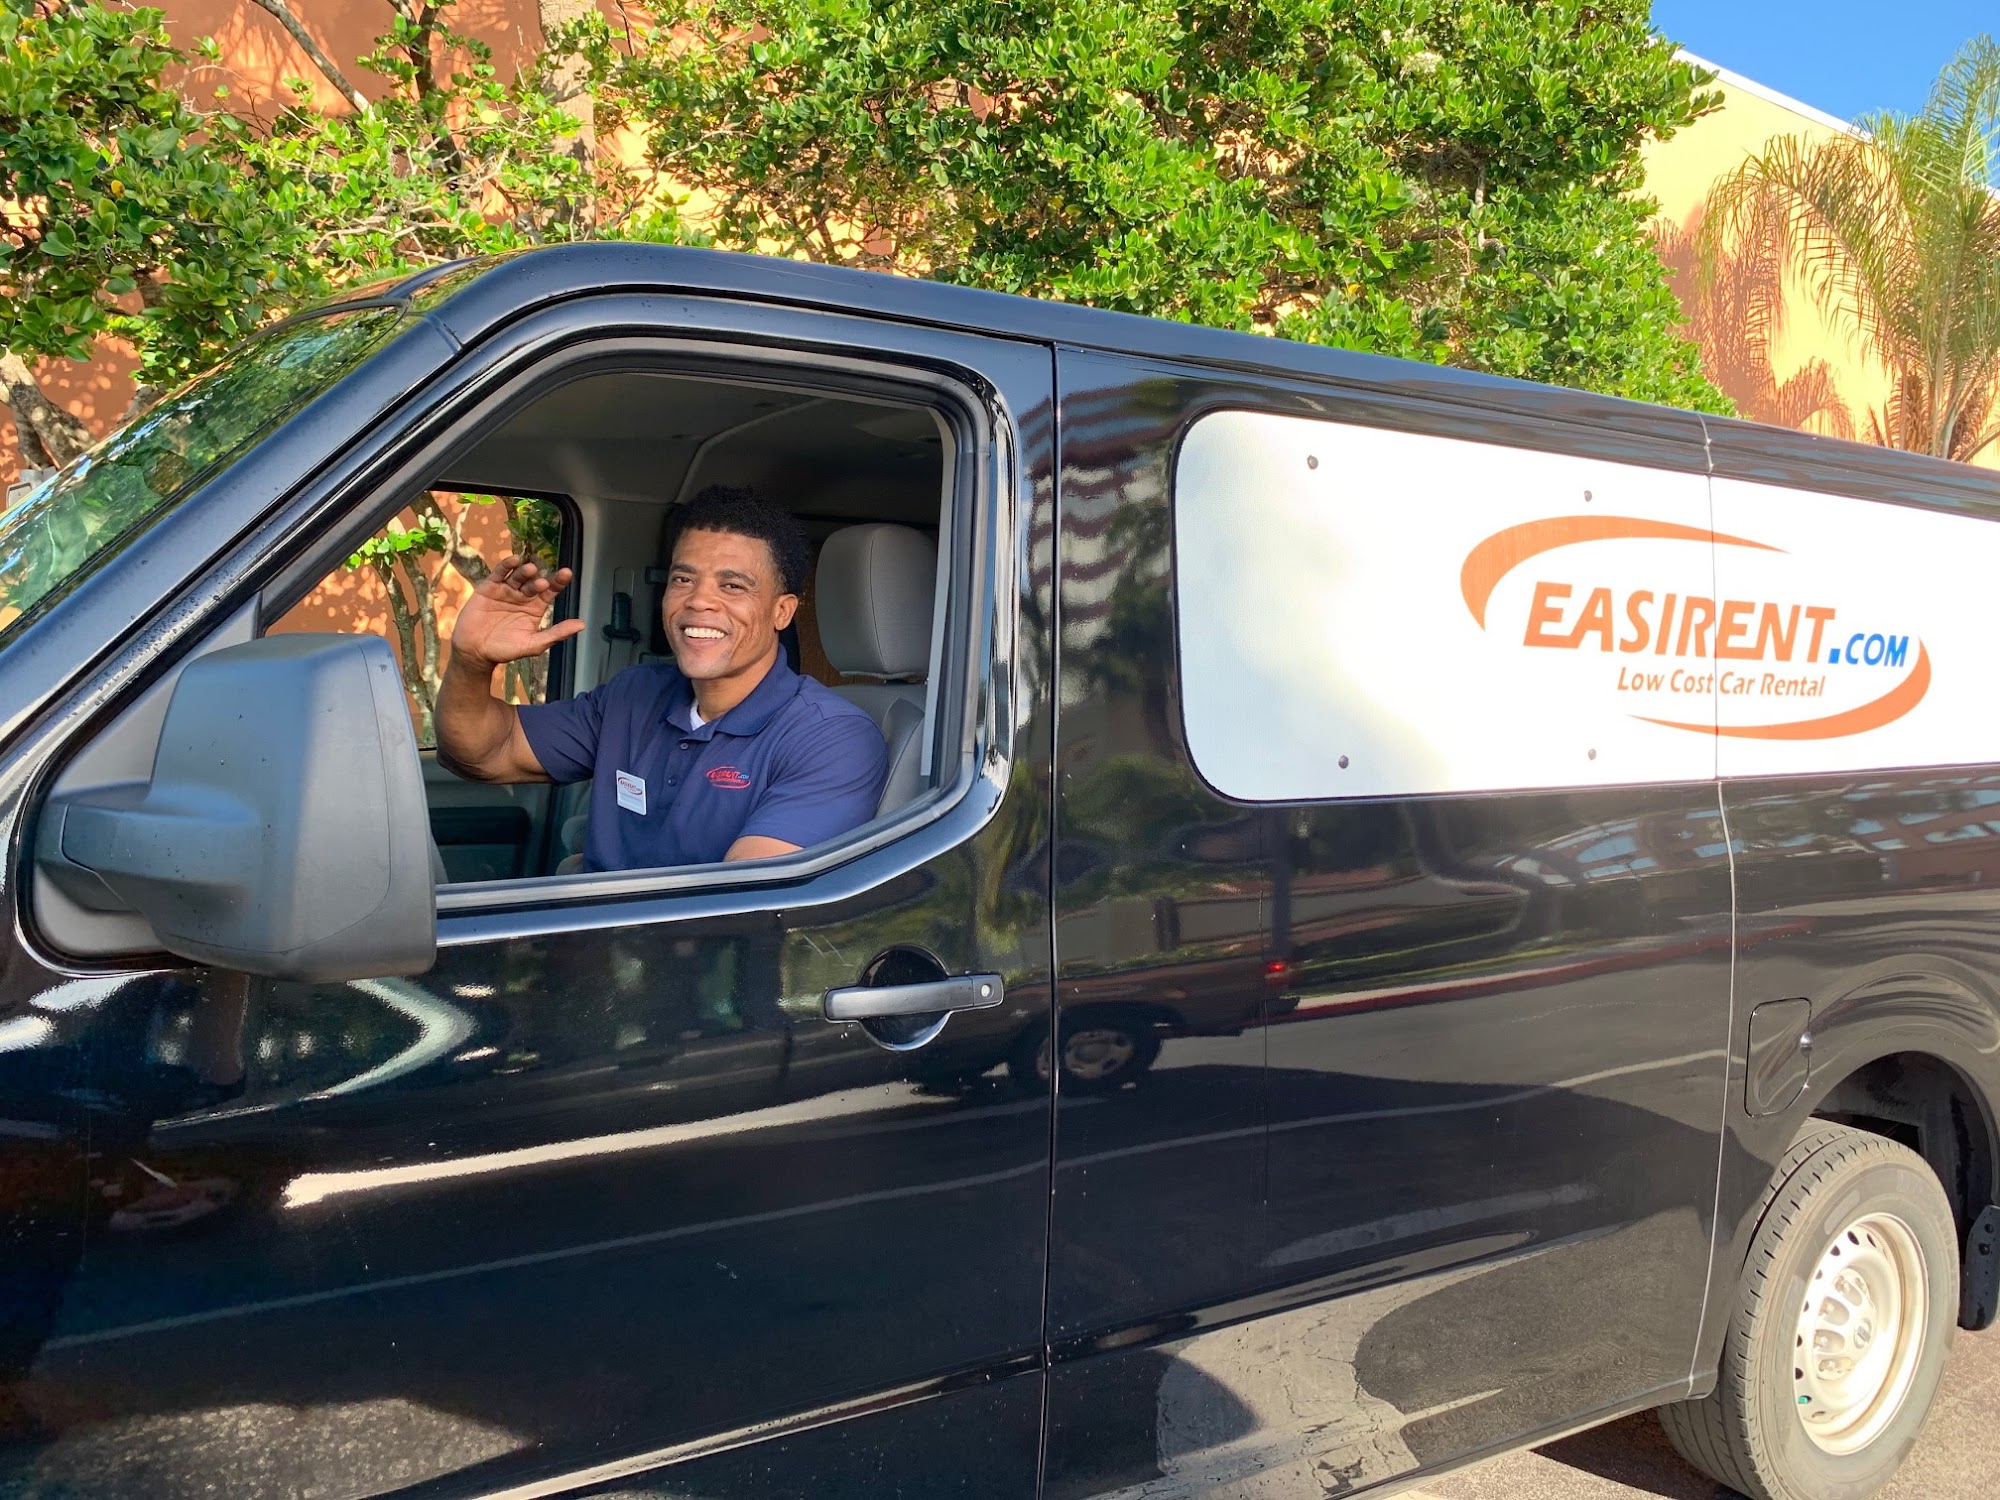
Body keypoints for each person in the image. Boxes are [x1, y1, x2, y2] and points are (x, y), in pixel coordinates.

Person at [435, 486, 890, 873]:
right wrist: (472, 661)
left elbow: (743, 905)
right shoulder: (636, 693)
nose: (698, 602)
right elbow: (484, 754)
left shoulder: (831, 736)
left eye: (733, 586)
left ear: (782, 612)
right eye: (683, 579)